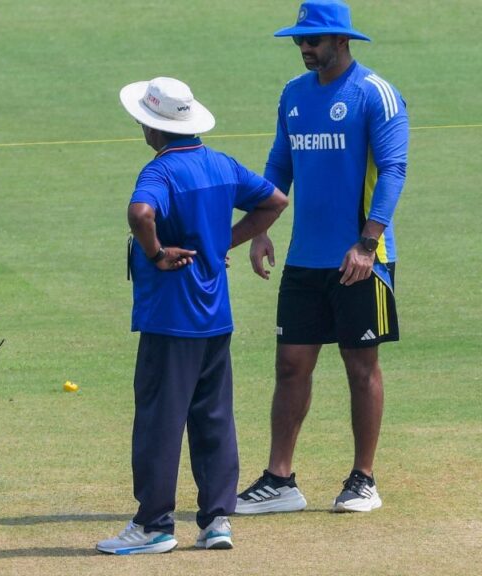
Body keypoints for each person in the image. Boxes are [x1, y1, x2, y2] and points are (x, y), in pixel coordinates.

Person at [96, 77, 288, 555]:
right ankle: (217, 521)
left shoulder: (159, 172)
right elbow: (275, 200)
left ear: (152, 125)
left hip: (169, 318)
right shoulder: (221, 163)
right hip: (215, 318)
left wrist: (157, 252)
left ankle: (155, 524)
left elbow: (141, 214)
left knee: (160, 421)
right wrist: (226, 241)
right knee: (214, 418)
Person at [236, 0, 408, 515]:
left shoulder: (374, 94)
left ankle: (363, 479)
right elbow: (277, 166)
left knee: (361, 366)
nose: (305, 49)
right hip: (304, 259)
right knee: (290, 365)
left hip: (361, 259)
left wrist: (367, 244)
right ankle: (280, 480)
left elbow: (394, 170)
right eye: (300, 42)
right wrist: (260, 228)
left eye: (313, 41)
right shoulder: (293, 95)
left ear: (342, 40)